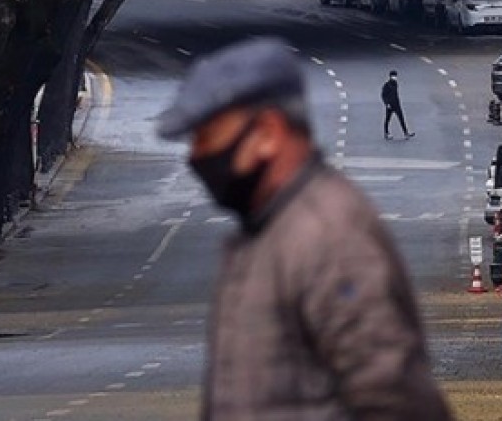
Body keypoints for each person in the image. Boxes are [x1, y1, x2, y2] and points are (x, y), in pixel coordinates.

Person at [157, 38, 453, 421]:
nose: (196, 157)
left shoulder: (326, 237)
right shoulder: (267, 231)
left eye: (209, 137)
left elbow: (394, 398)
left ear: (267, 132)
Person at [381, 70, 413, 139]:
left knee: (401, 118)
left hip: (397, 104)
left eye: (395, 76)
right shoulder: (386, 85)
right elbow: (383, 95)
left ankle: (406, 133)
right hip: (390, 105)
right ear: (390, 76)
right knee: (387, 119)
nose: (394, 77)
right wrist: (387, 104)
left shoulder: (395, 83)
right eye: (393, 76)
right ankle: (386, 133)